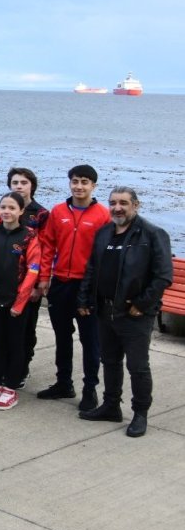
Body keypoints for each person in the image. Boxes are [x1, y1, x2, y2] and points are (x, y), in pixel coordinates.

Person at [77, 187, 173, 437]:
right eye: (113, 203)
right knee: (109, 361)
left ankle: (140, 413)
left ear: (136, 205)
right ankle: (111, 406)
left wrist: (141, 304)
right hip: (104, 310)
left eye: (123, 203)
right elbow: (92, 268)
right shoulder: (104, 233)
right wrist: (84, 298)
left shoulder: (152, 234)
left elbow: (163, 276)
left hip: (134, 314)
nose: (117, 208)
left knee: (137, 367)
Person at [36, 164, 110, 410]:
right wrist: (44, 277)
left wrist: (100, 288)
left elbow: (105, 255)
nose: (79, 186)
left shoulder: (102, 215)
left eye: (84, 182)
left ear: (93, 186)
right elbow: (48, 245)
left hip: (87, 287)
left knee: (90, 340)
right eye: (75, 181)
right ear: (70, 183)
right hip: (61, 283)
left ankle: (90, 389)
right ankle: (64, 383)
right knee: (62, 336)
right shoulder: (58, 211)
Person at [0, 167, 49, 375]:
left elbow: (46, 248)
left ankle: (20, 370)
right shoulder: (3, 210)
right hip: (3, 284)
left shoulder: (41, 214)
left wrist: (41, 281)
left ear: (32, 186)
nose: (19, 186)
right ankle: (4, 372)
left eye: (24, 183)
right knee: (2, 336)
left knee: (26, 331)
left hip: (28, 280)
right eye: (15, 182)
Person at [0, 193, 42, 410]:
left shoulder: (29, 236)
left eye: (12, 208)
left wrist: (20, 303)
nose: (7, 211)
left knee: (16, 344)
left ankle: (11, 387)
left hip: (17, 302)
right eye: (3, 207)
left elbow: (33, 270)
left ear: (21, 211)